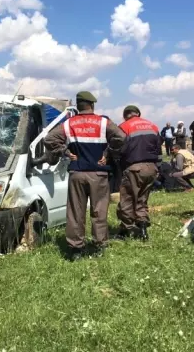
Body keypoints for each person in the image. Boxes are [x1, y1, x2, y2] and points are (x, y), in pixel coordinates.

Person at [44, 91, 125, 261]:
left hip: (77, 173)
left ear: (78, 105)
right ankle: (99, 246)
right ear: (92, 104)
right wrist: (108, 152)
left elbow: (50, 139)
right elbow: (121, 137)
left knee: (76, 212)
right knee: (99, 210)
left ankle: (75, 249)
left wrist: (65, 151)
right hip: (99, 173)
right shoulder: (104, 122)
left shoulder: (69, 123)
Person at [116, 105, 161, 241]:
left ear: (125, 115)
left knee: (128, 199)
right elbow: (158, 149)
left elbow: (119, 149)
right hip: (151, 168)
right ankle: (142, 229)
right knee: (142, 199)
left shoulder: (124, 126)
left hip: (134, 168)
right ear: (138, 114)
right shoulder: (153, 126)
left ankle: (126, 230)